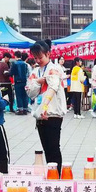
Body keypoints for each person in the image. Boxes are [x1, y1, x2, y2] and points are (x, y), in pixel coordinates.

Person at [26, 40, 66, 173]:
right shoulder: (36, 71)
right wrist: (38, 81)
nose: (38, 60)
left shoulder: (54, 69)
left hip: (52, 114)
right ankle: (51, 175)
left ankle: (56, 176)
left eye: (40, 57)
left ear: (48, 54)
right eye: (35, 58)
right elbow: (30, 92)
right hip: (40, 115)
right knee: (47, 149)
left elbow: (53, 87)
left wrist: (45, 106)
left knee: (53, 149)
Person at [10, 50, 30, 114]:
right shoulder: (25, 64)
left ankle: (20, 109)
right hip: (24, 81)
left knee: (19, 95)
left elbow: (11, 73)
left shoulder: (15, 64)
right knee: (24, 95)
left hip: (17, 81)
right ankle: (25, 109)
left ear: (15, 56)